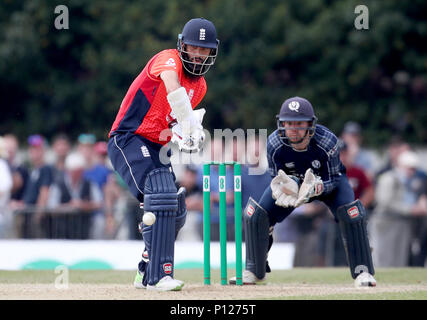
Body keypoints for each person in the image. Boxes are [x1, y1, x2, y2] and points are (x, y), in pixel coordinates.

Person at [107, 18, 219, 291]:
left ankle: (145, 270)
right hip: (129, 136)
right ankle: (158, 277)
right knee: (160, 195)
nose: (198, 54)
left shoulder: (201, 86)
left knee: (175, 208)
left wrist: (187, 134)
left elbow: (172, 123)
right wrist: (188, 121)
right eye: (194, 47)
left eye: (204, 50)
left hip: (157, 145)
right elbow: (172, 87)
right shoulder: (167, 59)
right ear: (182, 45)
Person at [230, 97, 376, 287]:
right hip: (294, 188)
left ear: (310, 124)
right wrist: (287, 187)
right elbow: (276, 178)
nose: (292, 128)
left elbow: (334, 177)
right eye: (288, 123)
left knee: (352, 214)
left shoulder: (327, 140)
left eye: (299, 123)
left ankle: (363, 272)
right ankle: (254, 271)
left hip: (327, 184)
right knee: (256, 215)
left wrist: (318, 188)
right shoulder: (274, 143)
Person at [369, 150, 427, 267]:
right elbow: (385, 201)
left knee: (399, 257)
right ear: (401, 166)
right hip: (387, 223)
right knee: (385, 256)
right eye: (409, 168)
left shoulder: (407, 181)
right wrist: (411, 209)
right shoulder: (388, 178)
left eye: (413, 169)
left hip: (401, 223)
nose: (412, 172)